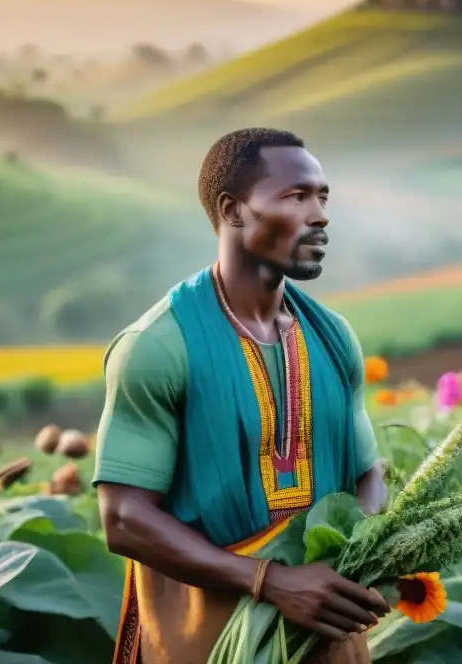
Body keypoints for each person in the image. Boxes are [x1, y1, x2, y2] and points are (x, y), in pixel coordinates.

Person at [93, 128, 392, 664]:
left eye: (323, 197)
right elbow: (123, 518)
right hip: (206, 642)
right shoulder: (158, 346)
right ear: (232, 210)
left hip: (328, 637)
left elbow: (369, 472)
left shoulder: (333, 337)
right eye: (296, 196)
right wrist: (271, 582)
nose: (320, 214)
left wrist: (357, 555)